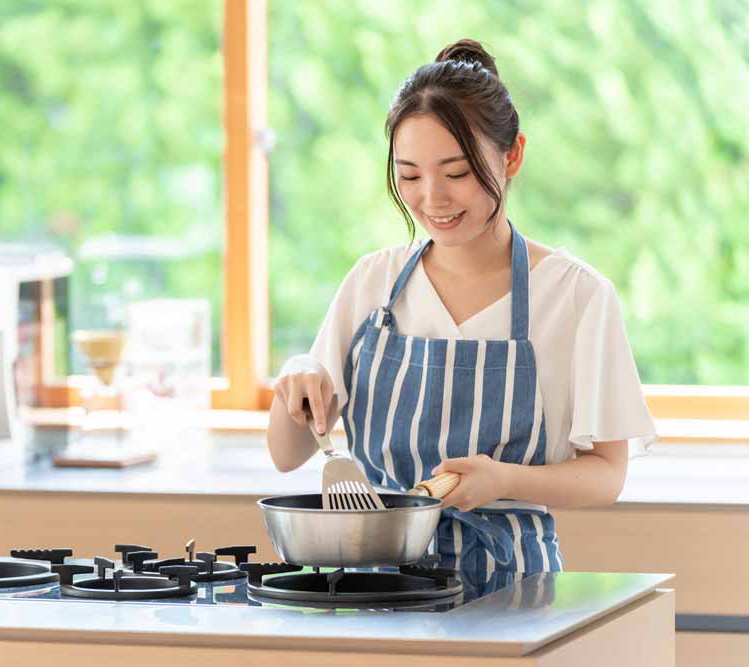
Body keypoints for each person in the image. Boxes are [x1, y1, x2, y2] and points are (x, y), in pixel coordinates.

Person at [266, 39, 656, 583]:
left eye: (457, 173)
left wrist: (503, 480)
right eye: (409, 176)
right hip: (375, 584)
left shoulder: (575, 295)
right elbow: (287, 455)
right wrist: (294, 377)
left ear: (512, 154)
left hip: (515, 589)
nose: (433, 199)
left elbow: (606, 476)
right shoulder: (373, 283)